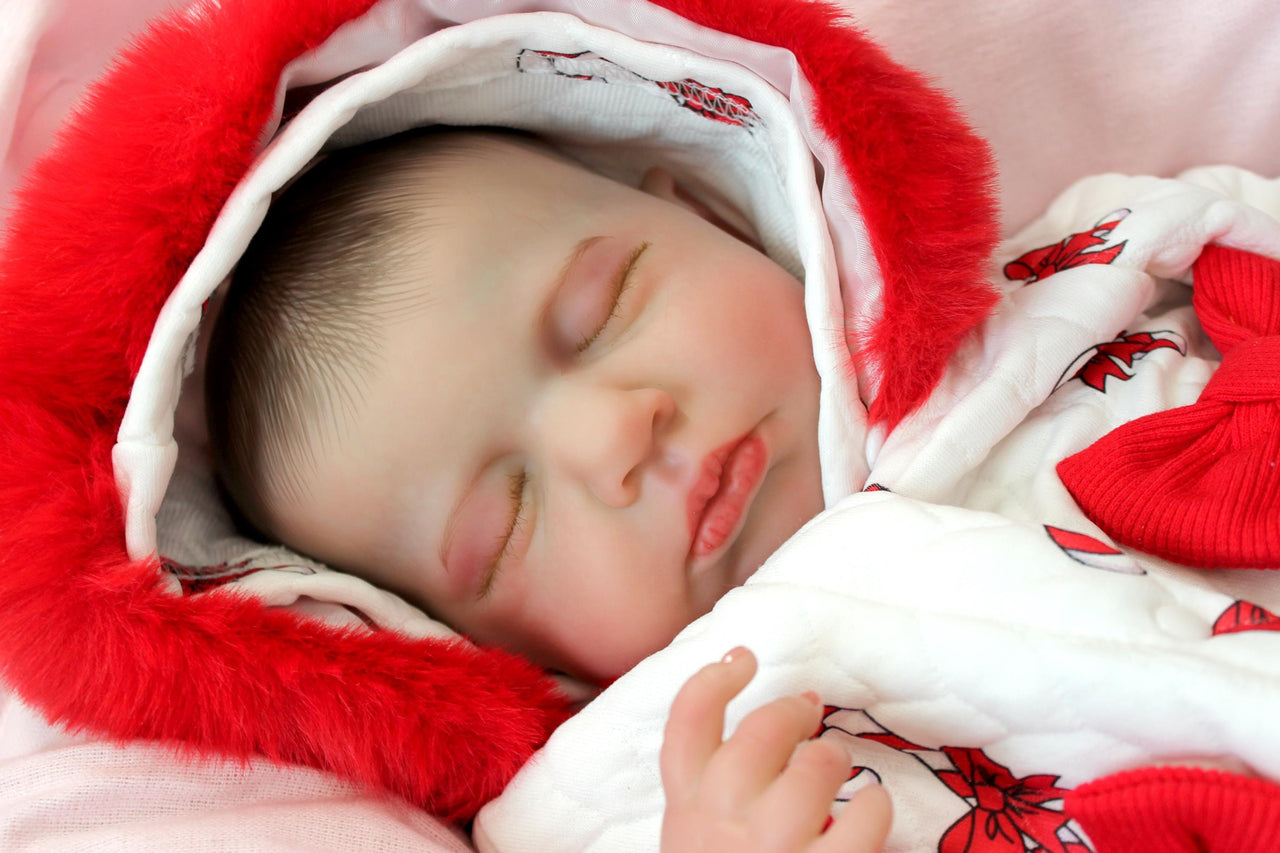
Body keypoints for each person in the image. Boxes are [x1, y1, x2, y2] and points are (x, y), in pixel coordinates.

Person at [206, 126, 890, 850]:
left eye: (606, 309)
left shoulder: (1009, 317)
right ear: (489, 653)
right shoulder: (612, 807)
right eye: (507, 525)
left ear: (707, 213)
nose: (614, 440)